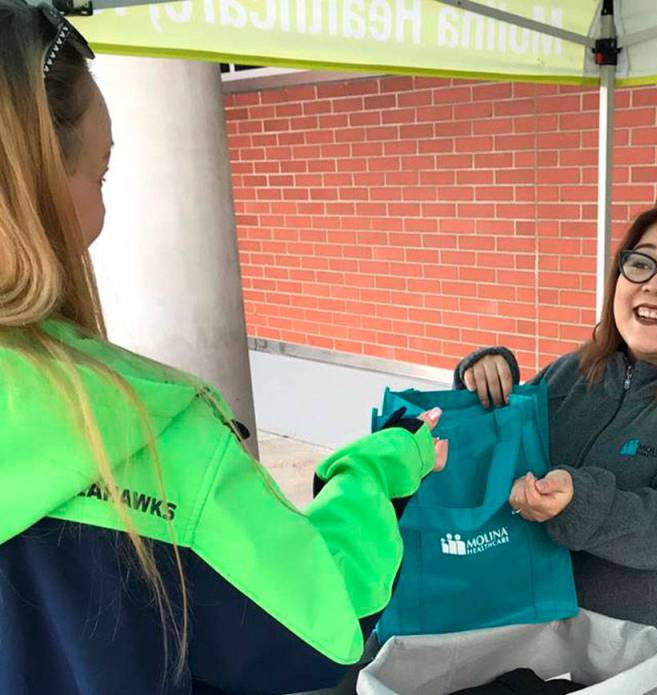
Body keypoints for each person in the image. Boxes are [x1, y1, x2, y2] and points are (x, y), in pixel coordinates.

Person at [0, 2, 448, 693]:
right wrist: (383, 465)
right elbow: (326, 615)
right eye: (101, 173)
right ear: (33, 182)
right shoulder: (151, 432)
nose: (103, 209)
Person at [456, 199, 657, 695]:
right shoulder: (576, 372)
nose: (654, 284)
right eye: (641, 262)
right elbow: (503, 443)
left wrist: (578, 502)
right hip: (555, 654)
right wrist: (483, 378)